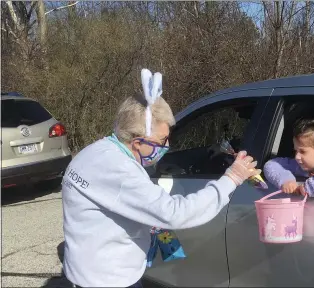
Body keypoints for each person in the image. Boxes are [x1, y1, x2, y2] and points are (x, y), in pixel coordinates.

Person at [62, 68, 261, 288]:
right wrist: (231, 178)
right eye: (162, 140)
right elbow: (176, 213)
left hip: (87, 271)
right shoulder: (120, 170)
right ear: (138, 143)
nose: (167, 146)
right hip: (109, 280)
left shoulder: (93, 153)